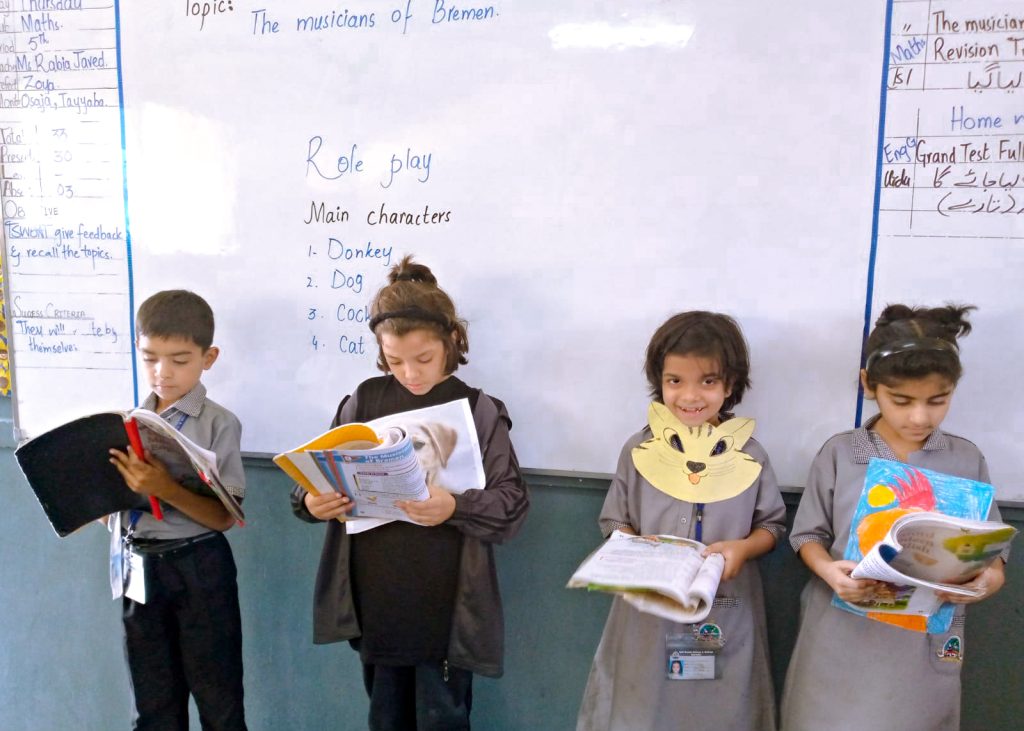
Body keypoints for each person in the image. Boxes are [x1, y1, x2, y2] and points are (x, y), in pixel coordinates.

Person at [291, 256, 529, 731]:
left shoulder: (478, 409)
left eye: (423, 359)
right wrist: (312, 502)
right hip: (377, 601)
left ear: (451, 341)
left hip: (446, 606)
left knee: (443, 717)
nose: (410, 374)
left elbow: (512, 503)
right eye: (394, 360)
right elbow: (314, 479)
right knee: (385, 716)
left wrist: (455, 506)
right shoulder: (362, 400)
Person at [780, 304, 1008, 731]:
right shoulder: (842, 452)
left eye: (938, 401)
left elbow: (993, 552)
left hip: (923, 641)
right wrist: (829, 571)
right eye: (901, 401)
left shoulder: (965, 458)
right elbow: (807, 535)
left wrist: (987, 581)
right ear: (869, 384)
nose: (919, 417)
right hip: (841, 637)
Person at [577, 311, 786, 731]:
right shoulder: (640, 449)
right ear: (660, 381)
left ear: (730, 384)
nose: (690, 396)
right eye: (675, 380)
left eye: (707, 381)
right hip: (648, 608)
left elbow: (772, 526)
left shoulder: (750, 455)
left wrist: (744, 548)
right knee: (639, 703)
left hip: (725, 606)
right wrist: (634, 547)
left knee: (724, 707)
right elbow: (615, 519)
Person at [108, 290, 247, 730]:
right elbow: (113, 506)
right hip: (138, 565)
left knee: (219, 701)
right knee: (152, 705)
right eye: (150, 358)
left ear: (209, 358)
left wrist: (164, 488)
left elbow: (224, 517)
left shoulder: (219, 423)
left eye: (179, 360)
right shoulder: (127, 423)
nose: (162, 372)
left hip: (198, 565)